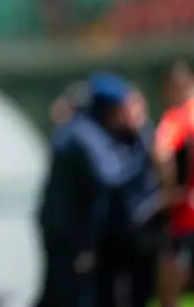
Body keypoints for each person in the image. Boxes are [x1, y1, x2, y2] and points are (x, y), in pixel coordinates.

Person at [35, 73, 156, 307]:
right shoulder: (83, 134)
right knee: (64, 298)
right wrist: (144, 145)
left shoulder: (91, 131)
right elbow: (111, 177)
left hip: (75, 238)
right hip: (68, 241)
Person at [152, 61, 194, 307]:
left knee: (169, 292)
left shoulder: (176, 118)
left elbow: (162, 153)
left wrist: (168, 190)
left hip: (185, 217)